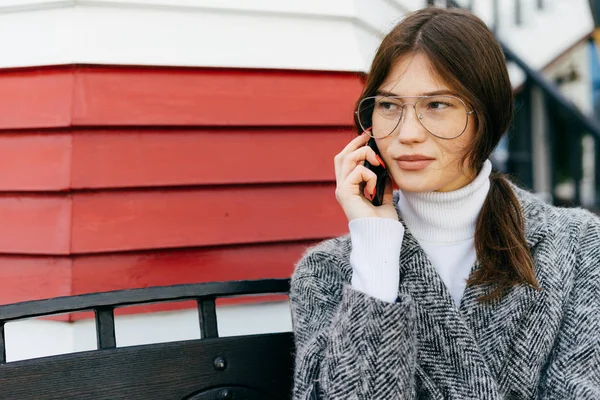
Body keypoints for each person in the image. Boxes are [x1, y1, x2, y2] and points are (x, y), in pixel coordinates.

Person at [289, 6, 600, 400]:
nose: (408, 133)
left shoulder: (578, 246)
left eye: (437, 105)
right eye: (388, 106)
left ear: (486, 116)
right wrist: (376, 248)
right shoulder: (327, 273)